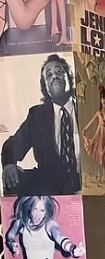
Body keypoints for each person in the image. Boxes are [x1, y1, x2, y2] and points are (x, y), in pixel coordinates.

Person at [1, 53, 80, 196]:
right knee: (13, 180)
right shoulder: (37, 116)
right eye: (49, 75)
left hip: (84, 179)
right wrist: (8, 164)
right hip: (50, 186)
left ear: (69, 77)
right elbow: (12, 146)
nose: (54, 76)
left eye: (59, 71)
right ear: (45, 87)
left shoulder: (85, 107)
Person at [82, 84, 105, 192]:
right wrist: (84, 131)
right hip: (99, 141)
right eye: (103, 98)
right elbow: (90, 124)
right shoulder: (98, 113)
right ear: (100, 100)